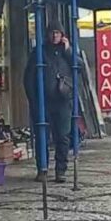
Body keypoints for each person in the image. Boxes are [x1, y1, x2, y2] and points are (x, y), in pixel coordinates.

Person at [25, 21, 75, 184]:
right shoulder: (39, 52)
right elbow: (28, 78)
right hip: (43, 102)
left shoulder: (66, 52)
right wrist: (33, 100)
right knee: (42, 136)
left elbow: (78, 66)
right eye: (52, 33)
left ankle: (61, 170)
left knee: (63, 136)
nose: (55, 36)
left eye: (58, 33)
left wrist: (68, 51)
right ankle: (43, 169)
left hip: (62, 101)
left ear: (62, 35)